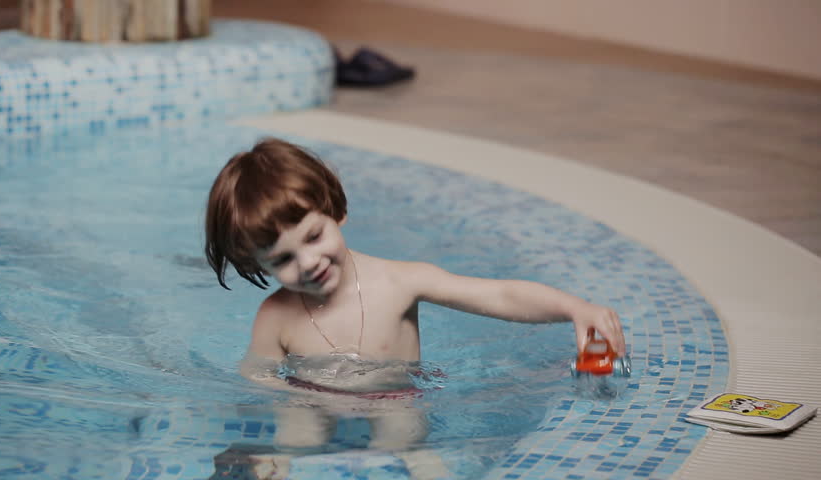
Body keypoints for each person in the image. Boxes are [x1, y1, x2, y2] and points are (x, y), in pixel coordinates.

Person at [204, 138, 626, 479]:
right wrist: (294, 396)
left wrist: (574, 308)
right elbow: (256, 378)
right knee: (298, 438)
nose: (308, 263)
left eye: (314, 236)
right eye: (282, 260)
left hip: (394, 395)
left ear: (336, 210)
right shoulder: (275, 316)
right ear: (258, 267)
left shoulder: (398, 282)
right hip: (310, 401)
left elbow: (498, 296)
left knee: (403, 439)